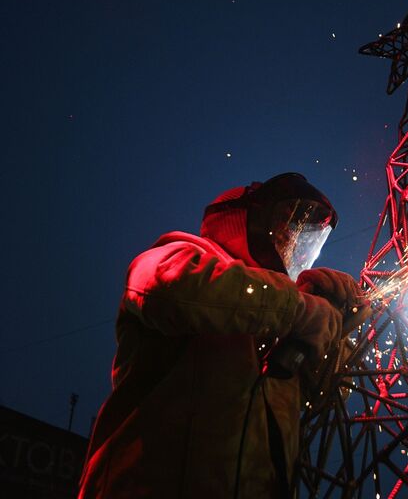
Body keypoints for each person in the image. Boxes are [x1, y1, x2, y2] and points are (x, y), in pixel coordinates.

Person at [78, 173, 370, 498]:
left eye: (298, 234)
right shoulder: (177, 256)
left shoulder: (272, 315)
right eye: (284, 225)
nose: (290, 241)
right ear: (243, 219)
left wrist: (336, 334)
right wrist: (299, 307)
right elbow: (175, 290)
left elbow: (320, 398)